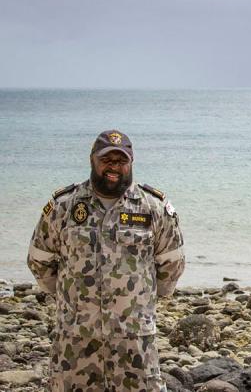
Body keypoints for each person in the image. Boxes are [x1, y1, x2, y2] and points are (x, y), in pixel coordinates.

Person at [27, 130, 185, 391]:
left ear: (131, 163)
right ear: (92, 160)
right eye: (107, 160)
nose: (114, 167)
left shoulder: (152, 207)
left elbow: (171, 263)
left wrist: (142, 301)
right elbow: (39, 258)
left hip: (134, 338)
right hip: (76, 338)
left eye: (121, 161)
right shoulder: (64, 206)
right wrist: (68, 298)